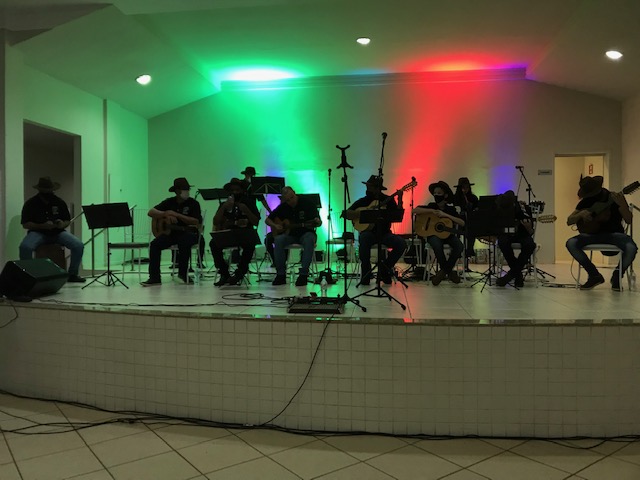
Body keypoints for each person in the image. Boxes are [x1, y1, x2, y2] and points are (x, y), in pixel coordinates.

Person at [566, 175, 637, 291]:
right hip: (591, 235)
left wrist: (622, 204)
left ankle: (617, 275)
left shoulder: (614, 197)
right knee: (571, 243)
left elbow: (628, 220)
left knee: (631, 248)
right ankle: (594, 275)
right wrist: (580, 214)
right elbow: (569, 220)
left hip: (614, 235)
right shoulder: (585, 202)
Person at [19, 176, 85, 282]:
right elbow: (25, 224)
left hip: (58, 232)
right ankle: (27, 275)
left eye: (50, 190)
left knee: (78, 245)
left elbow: (67, 220)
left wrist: (61, 224)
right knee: (25, 247)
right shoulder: (31, 203)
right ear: (40, 190)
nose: (49, 192)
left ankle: (72, 274)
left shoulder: (59, 202)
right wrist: (42, 226)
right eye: (46, 190)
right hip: (38, 233)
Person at [343, 175, 406, 285]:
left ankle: (385, 268)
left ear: (377, 188)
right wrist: (363, 214)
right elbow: (346, 214)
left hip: (385, 233)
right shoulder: (363, 201)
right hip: (369, 233)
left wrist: (400, 199)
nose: (367, 189)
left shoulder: (388, 200)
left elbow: (398, 215)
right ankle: (366, 273)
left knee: (401, 243)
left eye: (370, 187)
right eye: (367, 186)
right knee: (364, 238)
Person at [141, 177, 202, 286]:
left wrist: (177, 215)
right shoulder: (169, 202)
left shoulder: (193, 203)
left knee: (184, 241)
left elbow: (196, 221)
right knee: (154, 245)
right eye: (184, 189)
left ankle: (183, 274)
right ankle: (154, 277)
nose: (187, 191)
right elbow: (151, 212)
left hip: (189, 233)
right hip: (171, 233)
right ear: (177, 191)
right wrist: (166, 213)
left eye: (187, 189)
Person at [265, 187, 321, 286]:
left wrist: (317, 222)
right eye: (287, 200)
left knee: (309, 239)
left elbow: (318, 222)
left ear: (294, 193)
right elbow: (268, 220)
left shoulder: (307, 203)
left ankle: (303, 274)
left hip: (306, 233)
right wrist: (275, 225)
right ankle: (281, 274)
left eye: (292, 197)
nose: (291, 201)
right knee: (278, 239)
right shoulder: (284, 207)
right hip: (290, 235)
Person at [413, 181, 465, 286]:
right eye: (435, 193)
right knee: (437, 244)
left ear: (445, 195)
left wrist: (445, 215)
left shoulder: (450, 209)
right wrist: (431, 211)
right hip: (433, 235)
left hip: (449, 235)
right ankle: (449, 272)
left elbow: (462, 223)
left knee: (459, 245)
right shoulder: (431, 206)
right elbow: (414, 210)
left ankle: (443, 271)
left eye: (439, 193)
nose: (436, 195)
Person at [210, 178, 260, 286]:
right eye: (232, 190)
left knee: (250, 244)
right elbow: (215, 221)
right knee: (213, 243)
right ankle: (224, 272)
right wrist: (223, 207)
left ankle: (240, 273)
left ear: (242, 190)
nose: (234, 192)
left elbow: (256, 222)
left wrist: (246, 210)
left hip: (245, 233)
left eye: (237, 190)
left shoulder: (249, 202)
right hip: (229, 233)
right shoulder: (225, 204)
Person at [494, 190, 536, 287]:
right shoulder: (500, 208)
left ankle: (511, 275)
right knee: (502, 242)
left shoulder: (522, 208)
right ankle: (517, 274)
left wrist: (528, 227)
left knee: (530, 245)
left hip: (522, 233)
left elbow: (530, 231)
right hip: (506, 234)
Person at [452, 177, 479, 261]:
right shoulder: (455, 198)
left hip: (470, 221)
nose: (465, 190)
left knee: (472, 231)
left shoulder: (473, 198)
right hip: (458, 221)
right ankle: (457, 250)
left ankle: (469, 250)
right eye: (463, 188)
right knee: (457, 232)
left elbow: (477, 209)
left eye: (467, 187)